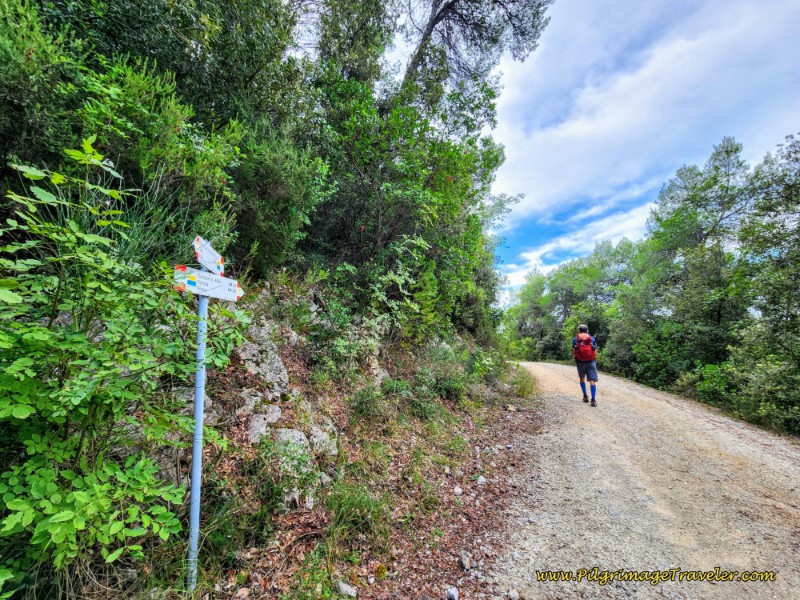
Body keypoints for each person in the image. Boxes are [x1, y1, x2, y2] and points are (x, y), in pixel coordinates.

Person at [572, 324, 598, 407]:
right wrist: (594, 358)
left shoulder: (575, 339)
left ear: (579, 331)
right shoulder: (592, 339)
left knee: (582, 378)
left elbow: (573, 350)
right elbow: (595, 350)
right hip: (591, 361)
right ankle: (593, 399)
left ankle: (585, 396)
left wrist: (575, 356)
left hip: (580, 361)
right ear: (587, 330)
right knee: (592, 380)